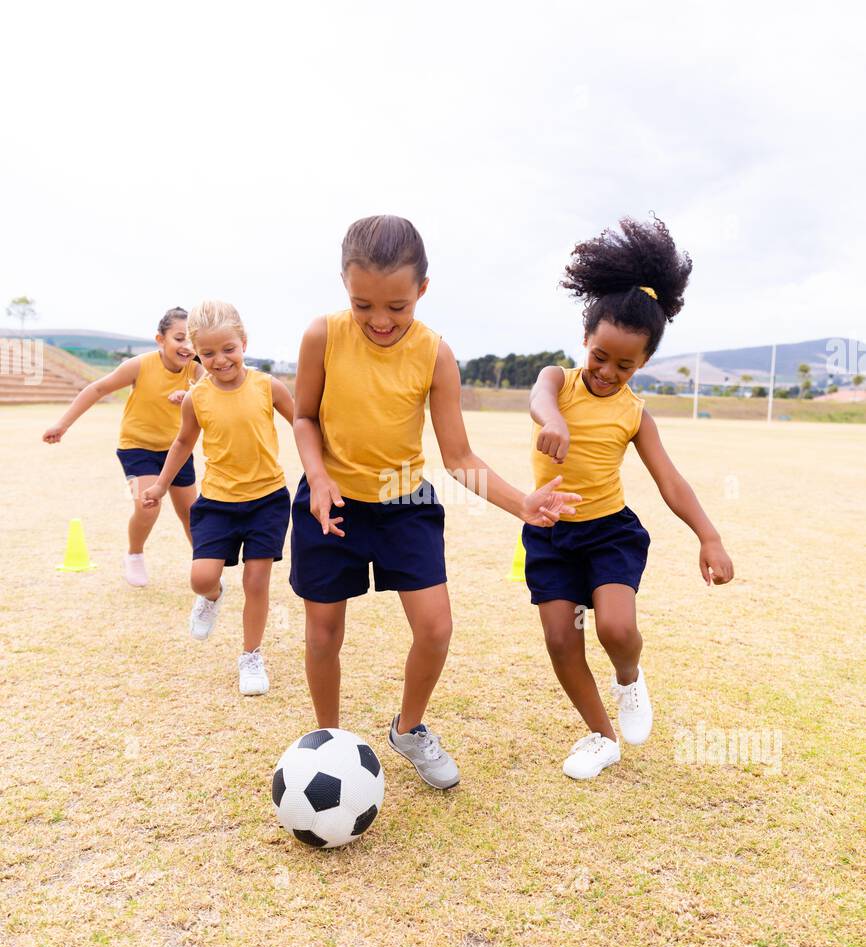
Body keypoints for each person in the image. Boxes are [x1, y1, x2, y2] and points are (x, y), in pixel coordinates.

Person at [291, 214, 578, 790]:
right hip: (332, 504)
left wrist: (521, 503)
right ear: (344, 287)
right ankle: (331, 742)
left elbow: (459, 457)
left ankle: (409, 728)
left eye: (397, 306)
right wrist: (317, 477)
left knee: (436, 628)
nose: (379, 321)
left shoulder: (435, 354)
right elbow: (302, 416)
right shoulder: (322, 334)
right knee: (323, 633)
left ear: (422, 289)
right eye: (362, 304)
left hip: (405, 504)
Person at [527, 215, 734, 780]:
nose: (606, 372)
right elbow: (539, 399)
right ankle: (600, 737)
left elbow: (670, 480)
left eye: (624, 364)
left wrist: (708, 535)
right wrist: (555, 424)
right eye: (599, 356)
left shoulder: (633, 413)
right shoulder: (558, 381)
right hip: (549, 536)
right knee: (560, 639)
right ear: (585, 342)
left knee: (615, 628)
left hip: (608, 533)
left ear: (641, 364)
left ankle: (629, 677)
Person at [142, 301, 294, 696]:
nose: (220, 359)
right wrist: (159, 485)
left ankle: (251, 655)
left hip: (267, 500)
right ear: (196, 352)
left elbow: (306, 424)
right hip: (218, 504)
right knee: (201, 577)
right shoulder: (197, 397)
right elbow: (181, 443)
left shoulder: (268, 386)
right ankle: (211, 597)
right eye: (208, 353)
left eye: (229, 349)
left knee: (257, 580)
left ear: (244, 342)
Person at [42, 309, 202, 586]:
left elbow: (211, 394)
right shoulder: (139, 365)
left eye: (192, 340)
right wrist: (62, 425)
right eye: (179, 338)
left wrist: (190, 395)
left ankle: (203, 568)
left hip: (177, 449)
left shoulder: (198, 370)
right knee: (148, 505)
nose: (187, 347)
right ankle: (135, 554)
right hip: (137, 448)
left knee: (191, 513)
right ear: (160, 340)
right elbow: (97, 389)